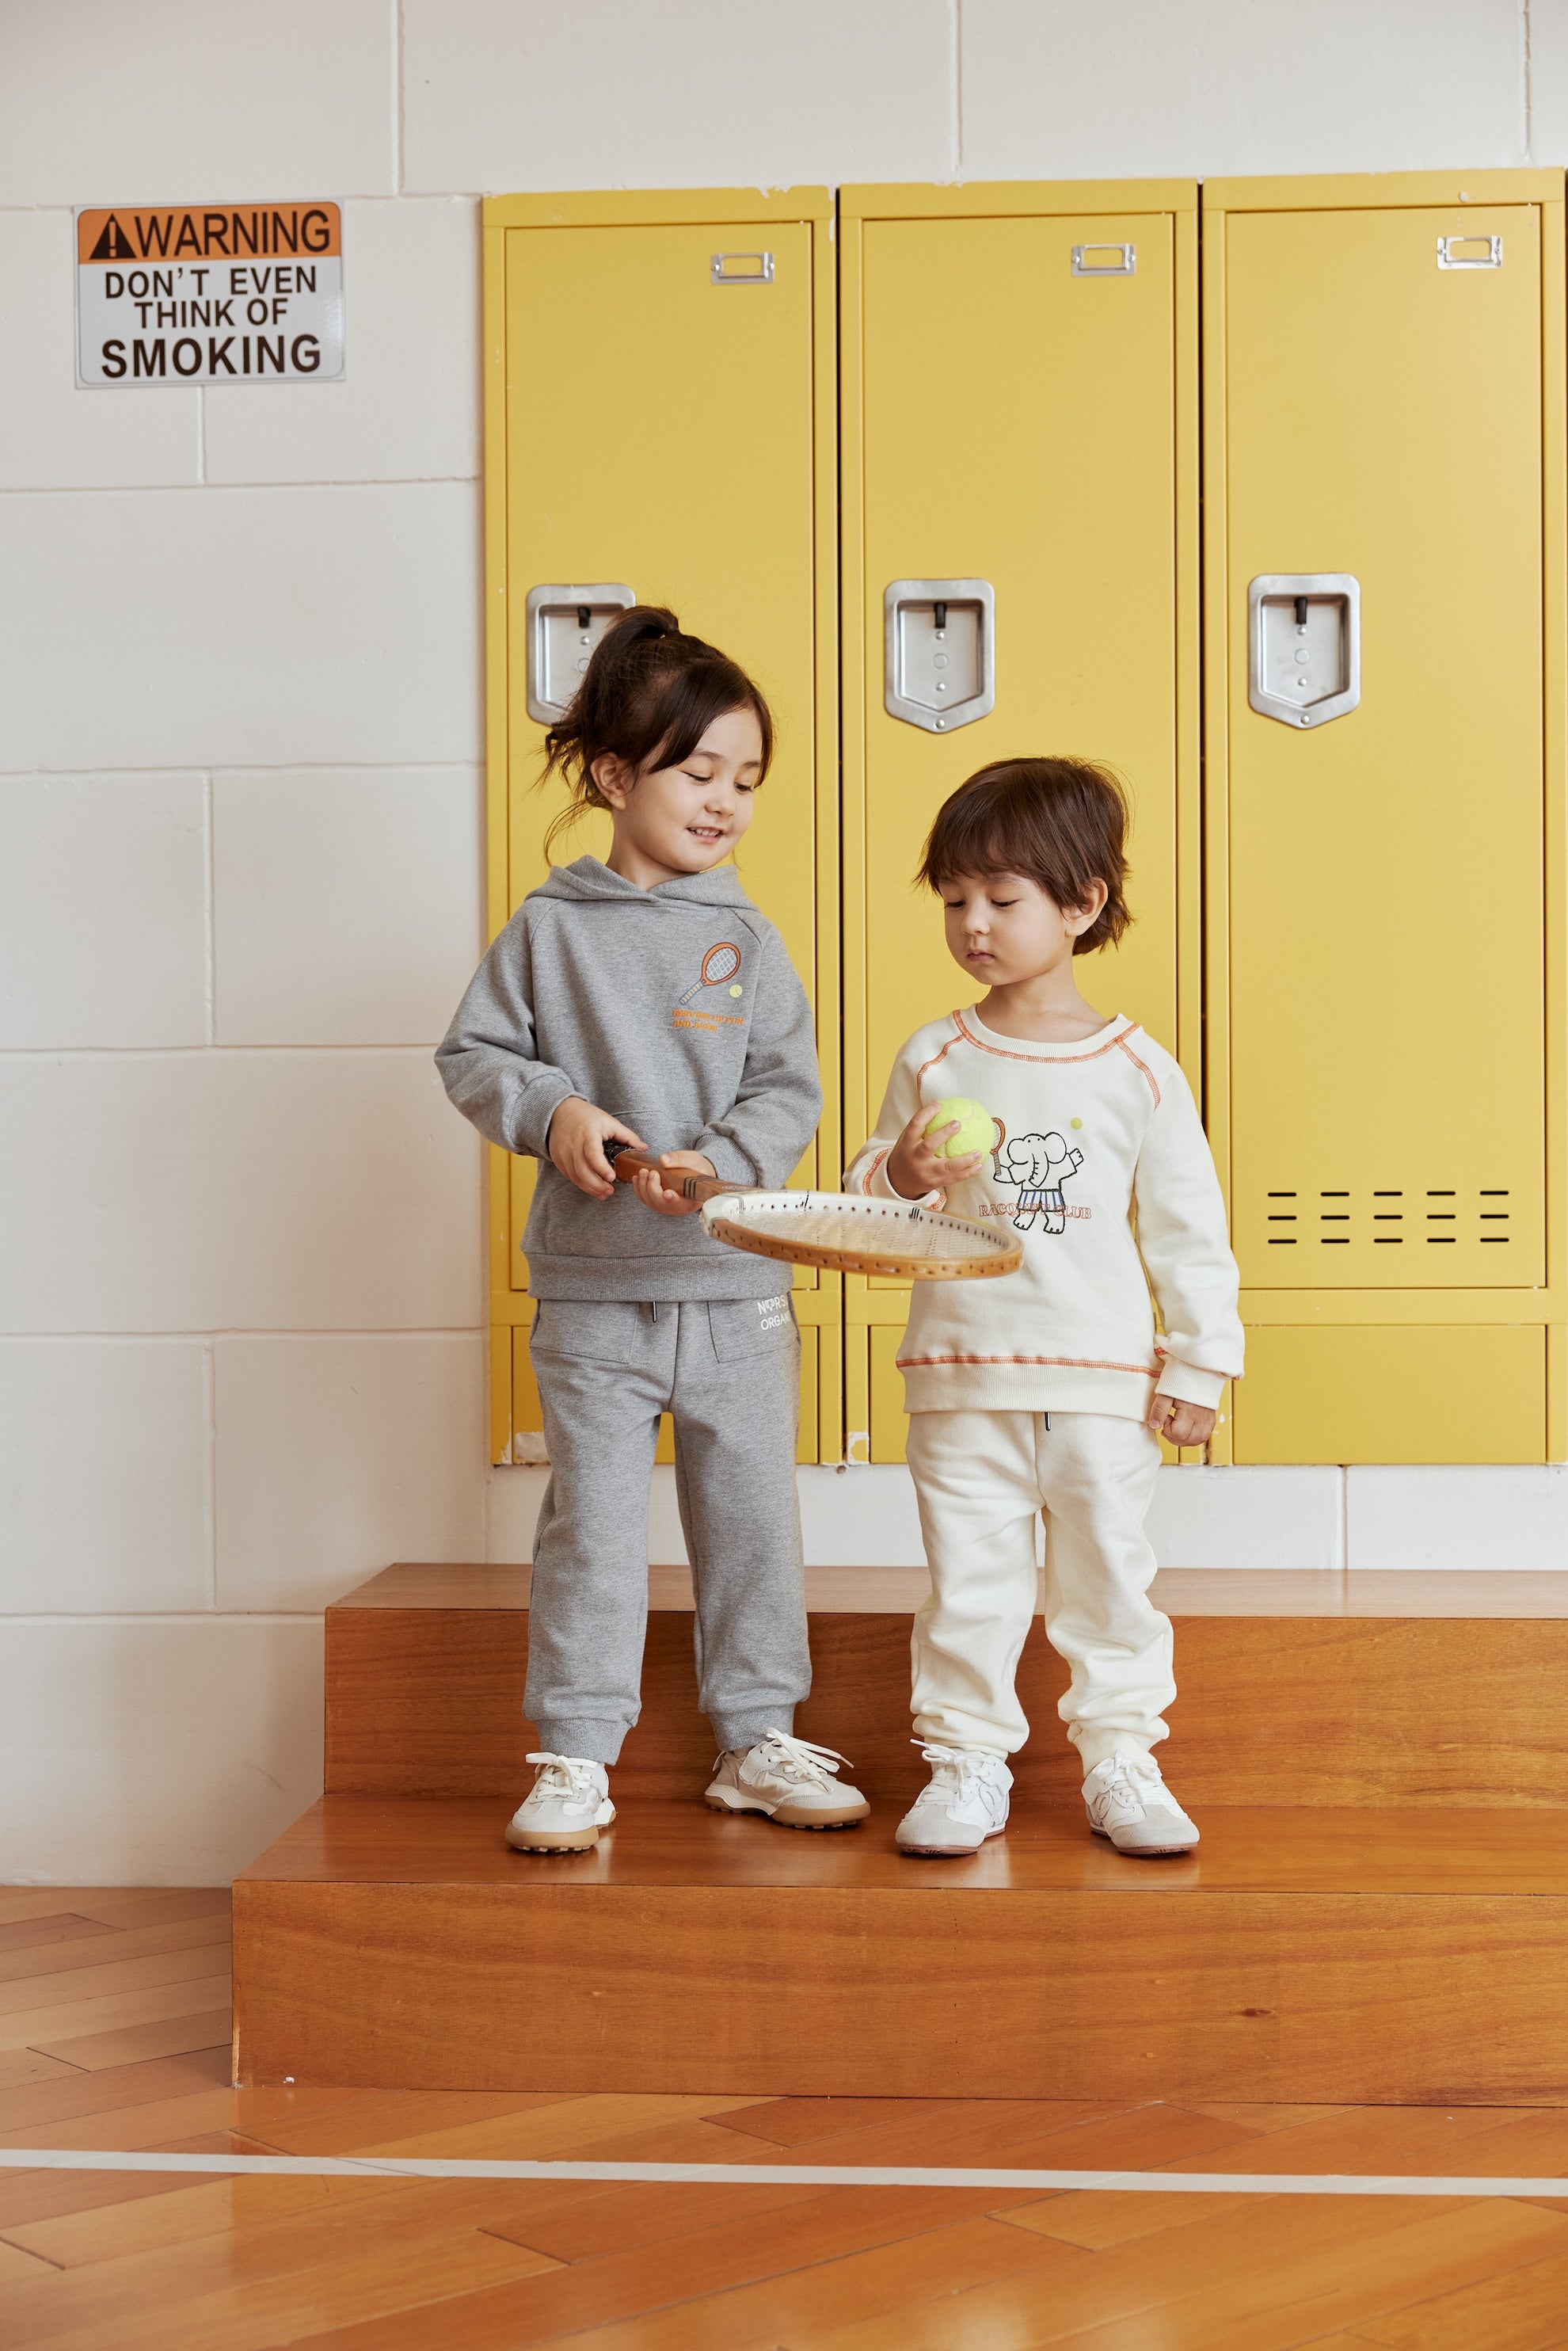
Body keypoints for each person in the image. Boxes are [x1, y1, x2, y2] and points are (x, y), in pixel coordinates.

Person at [438, 607, 867, 1852]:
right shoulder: (548, 931)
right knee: (595, 1534)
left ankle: (758, 1739)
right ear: (618, 777)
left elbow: (789, 1085)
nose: (726, 800)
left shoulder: (747, 940)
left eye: (747, 780)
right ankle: (573, 1755)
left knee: (751, 1524)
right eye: (699, 772)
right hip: (591, 1299)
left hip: (734, 1296)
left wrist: (724, 1163)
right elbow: (471, 1056)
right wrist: (553, 1109)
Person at [844, 756, 1242, 1860]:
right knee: (968, 1583)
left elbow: (1186, 1230)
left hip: (1104, 1384)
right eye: (955, 899)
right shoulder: (936, 1056)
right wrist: (907, 1175)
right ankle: (967, 1763)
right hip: (962, 1376)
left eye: (1003, 899)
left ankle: (1121, 1755)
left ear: (1082, 905)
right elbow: (870, 1211)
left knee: (1108, 1580)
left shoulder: (1138, 1071)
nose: (974, 923)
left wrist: (1200, 1367)